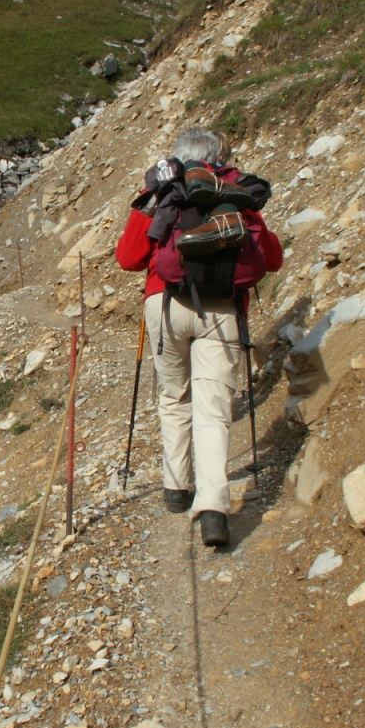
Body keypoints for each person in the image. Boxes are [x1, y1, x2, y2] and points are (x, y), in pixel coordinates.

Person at [114, 128, 282, 547]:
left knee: (175, 395)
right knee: (213, 406)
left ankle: (176, 488)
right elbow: (272, 258)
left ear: (176, 156)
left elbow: (128, 259)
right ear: (218, 156)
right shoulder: (233, 192)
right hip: (223, 308)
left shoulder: (163, 189)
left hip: (166, 303)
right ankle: (212, 509)